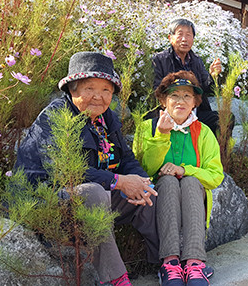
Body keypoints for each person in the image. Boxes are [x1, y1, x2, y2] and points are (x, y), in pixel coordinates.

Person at [15, 52, 159, 286]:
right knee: (93, 192)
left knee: (149, 194)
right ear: (73, 89)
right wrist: (120, 181)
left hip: (94, 198)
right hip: (48, 203)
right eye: (90, 88)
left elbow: (126, 159)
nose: (99, 97)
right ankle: (115, 279)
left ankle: (165, 263)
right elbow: (65, 173)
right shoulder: (55, 116)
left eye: (106, 90)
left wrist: (141, 181)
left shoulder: (106, 118)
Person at [134, 71, 224, 286]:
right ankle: (170, 263)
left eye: (187, 96)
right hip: (158, 196)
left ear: (195, 103)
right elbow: (144, 170)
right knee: (167, 181)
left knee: (191, 181)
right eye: (174, 95)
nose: (180, 101)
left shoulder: (203, 132)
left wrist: (184, 170)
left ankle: (194, 263)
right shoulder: (147, 128)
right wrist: (161, 136)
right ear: (163, 100)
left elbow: (215, 176)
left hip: (193, 194)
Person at [152, 19, 223, 134]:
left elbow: (206, 89)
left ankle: (215, 151)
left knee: (223, 119)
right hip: (171, 112)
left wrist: (213, 76)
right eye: (180, 34)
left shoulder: (197, 61)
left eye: (189, 35)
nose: (184, 39)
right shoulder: (159, 59)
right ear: (170, 38)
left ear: (193, 39)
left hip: (195, 113)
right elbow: (157, 90)